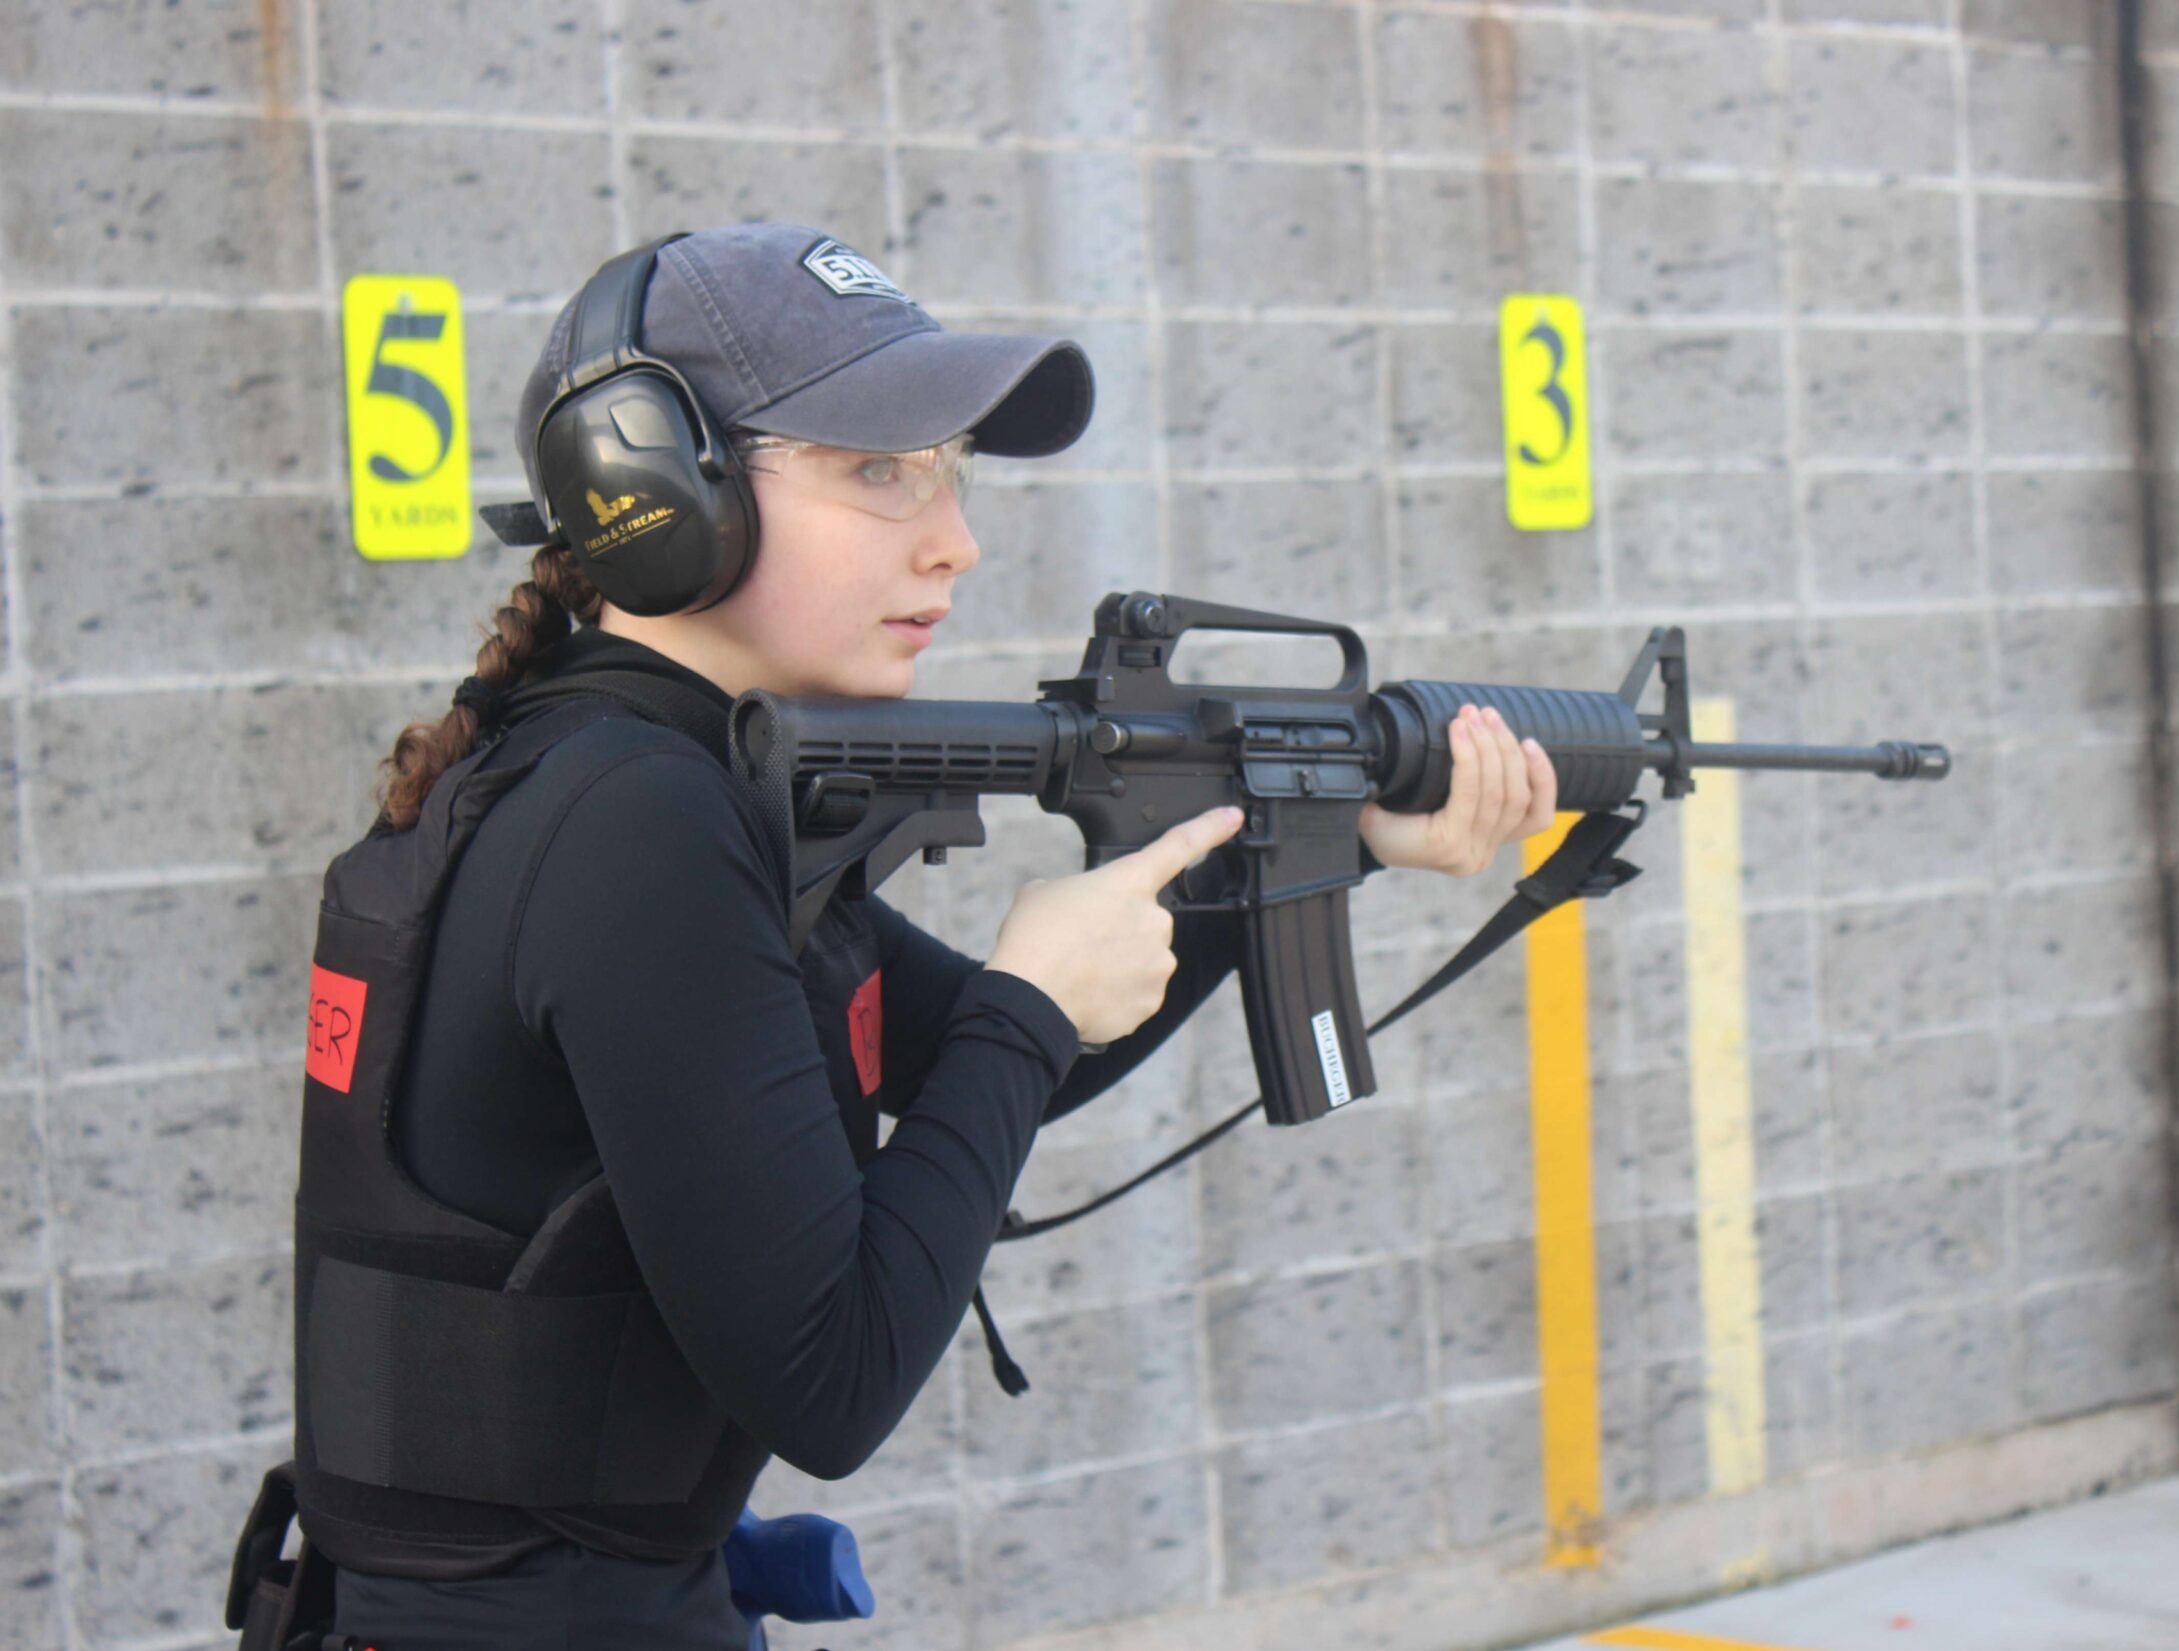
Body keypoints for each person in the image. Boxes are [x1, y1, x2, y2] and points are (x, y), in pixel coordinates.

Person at [281, 223, 1556, 1649]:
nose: (955, 537)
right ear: (654, 481)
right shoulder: (639, 829)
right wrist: (1027, 1003)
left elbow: (1006, 1054)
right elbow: (831, 1383)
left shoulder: (644, 775)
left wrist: (1318, 848)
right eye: (877, 469)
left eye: (947, 468)